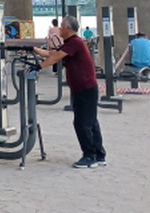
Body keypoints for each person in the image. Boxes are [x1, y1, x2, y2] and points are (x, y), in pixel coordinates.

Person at [36, 15, 105, 169]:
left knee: (82, 123)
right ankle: (99, 155)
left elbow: (55, 58)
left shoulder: (75, 43)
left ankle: (89, 156)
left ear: (68, 28)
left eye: (61, 27)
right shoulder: (70, 43)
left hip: (85, 88)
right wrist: (33, 49)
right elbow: (51, 54)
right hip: (83, 88)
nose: (59, 29)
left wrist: (38, 67)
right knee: (91, 122)